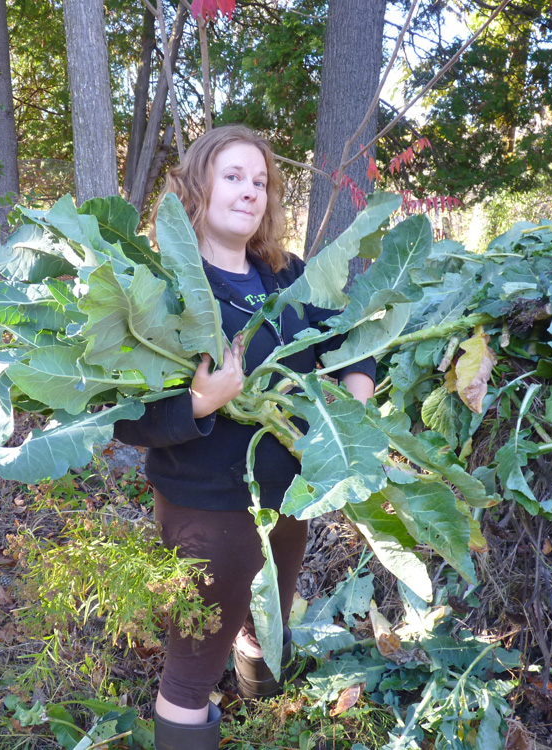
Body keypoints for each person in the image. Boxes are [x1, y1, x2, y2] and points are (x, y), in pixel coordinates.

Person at [113, 124, 375, 750]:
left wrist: (355, 397)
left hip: (290, 490)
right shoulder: (161, 288)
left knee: (269, 618)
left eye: (260, 181)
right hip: (210, 503)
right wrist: (202, 401)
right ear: (197, 187)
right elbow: (121, 414)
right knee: (192, 667)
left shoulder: (286, 275)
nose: (250, 191)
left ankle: (264, 712)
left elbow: (347, 335)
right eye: (233, 176)